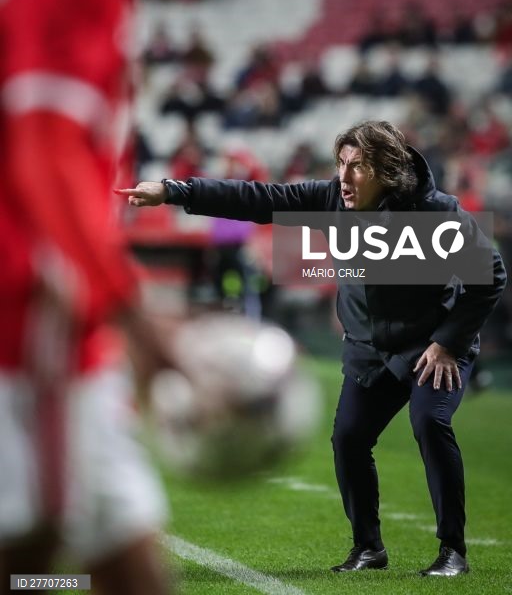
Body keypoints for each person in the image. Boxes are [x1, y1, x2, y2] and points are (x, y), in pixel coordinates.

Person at [0, 0, 277, 593]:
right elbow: (44, 153)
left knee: (85, 544)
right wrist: (130, 312)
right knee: (51, 544)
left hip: (54, 310)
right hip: (32, 310)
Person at [116, 120, 507, 577]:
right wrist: (174, 190)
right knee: (348, 439)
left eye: (358, 167)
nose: (344, 177)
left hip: (431, 345)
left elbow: (491, 275)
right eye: (341, 164)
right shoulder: (329, 200)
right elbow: (257, 200)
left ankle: (453, 552)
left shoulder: (436, 214)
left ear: (388, 170)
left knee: (429, 421)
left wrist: (447, 342)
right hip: (369, 348)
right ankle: (368, 549)